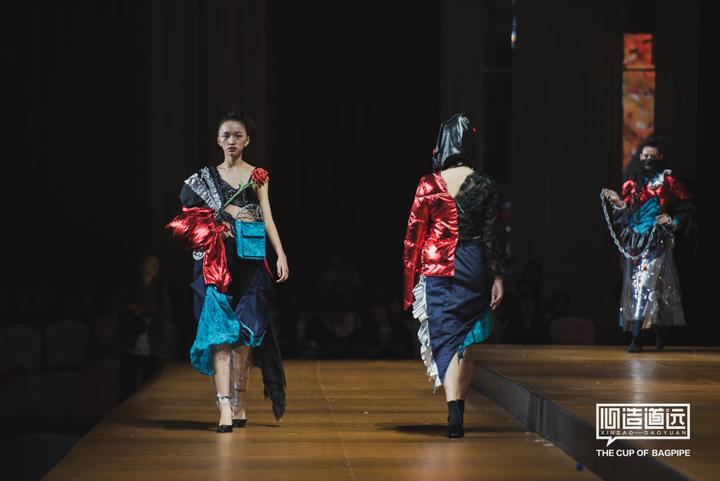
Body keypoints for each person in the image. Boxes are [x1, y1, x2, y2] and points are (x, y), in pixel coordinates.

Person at [167, 111, 289, 432]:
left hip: (251, 260)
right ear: (218, 140)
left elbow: (268, 217)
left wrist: (280, 254)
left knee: (247, 334)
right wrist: (220, 221)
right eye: (226, 135)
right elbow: (189, 218)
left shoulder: (257, 176)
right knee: (219, 332)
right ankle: (223, 405)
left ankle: (239, 400)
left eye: (237, 135)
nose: (231, 140)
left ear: (247, 140)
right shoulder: (203, 179)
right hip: (216, 262)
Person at [403, 114, 507, 438]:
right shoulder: (485, 184)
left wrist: (410, 277)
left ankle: (452, 410)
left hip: (438, 266)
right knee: (468, 339)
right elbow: (492, 236)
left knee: (446, 338)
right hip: (474, 263)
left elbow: (414, 235)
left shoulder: (428, 184)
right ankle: (459, 404)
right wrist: (497, 277)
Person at [602, 137, 694, 353]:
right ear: (641, 157)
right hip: (635, 241)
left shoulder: (668, 180)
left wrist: (671, 220)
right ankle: (658, 332)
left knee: (647, 284)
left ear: (660, 157)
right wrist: (617, 201)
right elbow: (627, 211)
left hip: (656, 239)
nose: (648, 159)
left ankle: (637, 336)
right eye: (645, 156)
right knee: (639, 286)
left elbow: (687, 206)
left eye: (653, 156)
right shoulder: (632, 183)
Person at [115, 254, 170, 400]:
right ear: (142, 266)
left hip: (152, 340)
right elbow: (118, 305)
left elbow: (165, 312)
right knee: (128, 383)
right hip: (131, 339)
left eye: (156, 264)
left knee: (150, 383)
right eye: (150, 263)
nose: (155, 267)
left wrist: (148, 314)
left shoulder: (159, 288)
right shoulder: (131, 285)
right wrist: (131, 308)